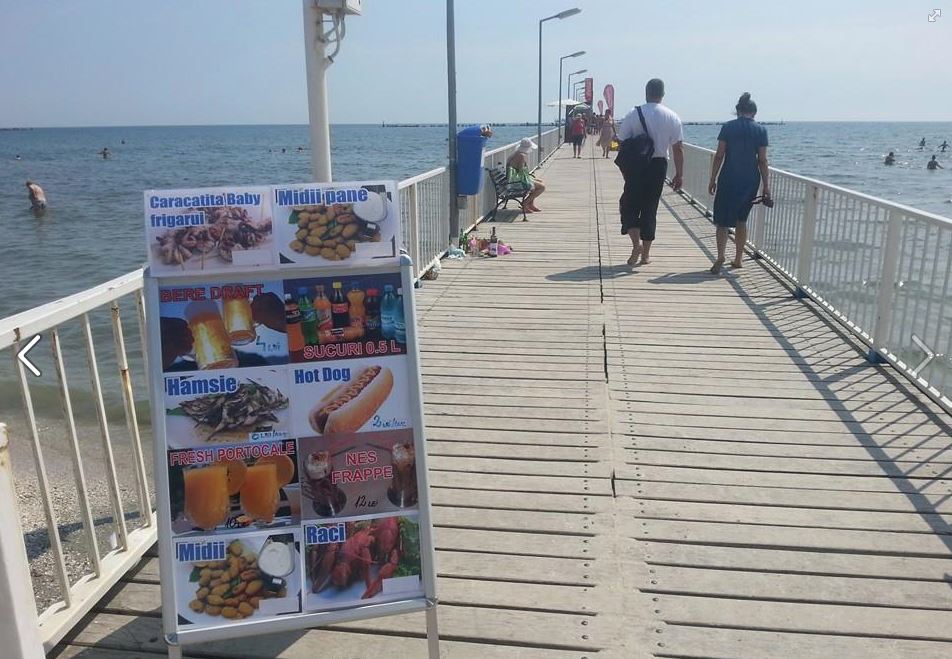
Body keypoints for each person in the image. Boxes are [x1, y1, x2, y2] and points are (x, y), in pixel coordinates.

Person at [616, 78, 684, 266]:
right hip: (659, 165)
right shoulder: (672, 116)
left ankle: (636, 244)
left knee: (629, 204)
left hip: (636, 165)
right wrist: (679, 174)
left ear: (646, 93)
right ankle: (645, 255)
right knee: (650, 208)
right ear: (663, 94)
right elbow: (678, 148)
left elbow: (622, 141)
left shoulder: (633, 113)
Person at [707, 93, 770, 273]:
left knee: (722, 221)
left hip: (729, 177)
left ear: (738, 111)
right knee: (742, 219)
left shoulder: (728, 127)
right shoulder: (761, 130)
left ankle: (720, 255)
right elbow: (762, 160)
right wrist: (766, 186)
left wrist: (712, 178)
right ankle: (738, 258)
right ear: (754, 112)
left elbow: (720, 155)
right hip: (750, 180)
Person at [506, 138, 546, 216]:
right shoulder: (521, 156)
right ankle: (525, 203)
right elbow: (521, 172)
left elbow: (520, 172)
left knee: (539, 181)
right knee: (542, 187)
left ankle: (531, 204)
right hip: (515, 182)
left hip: (514, 179)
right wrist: (531, 180)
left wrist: (532, 179)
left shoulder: (517, 153)